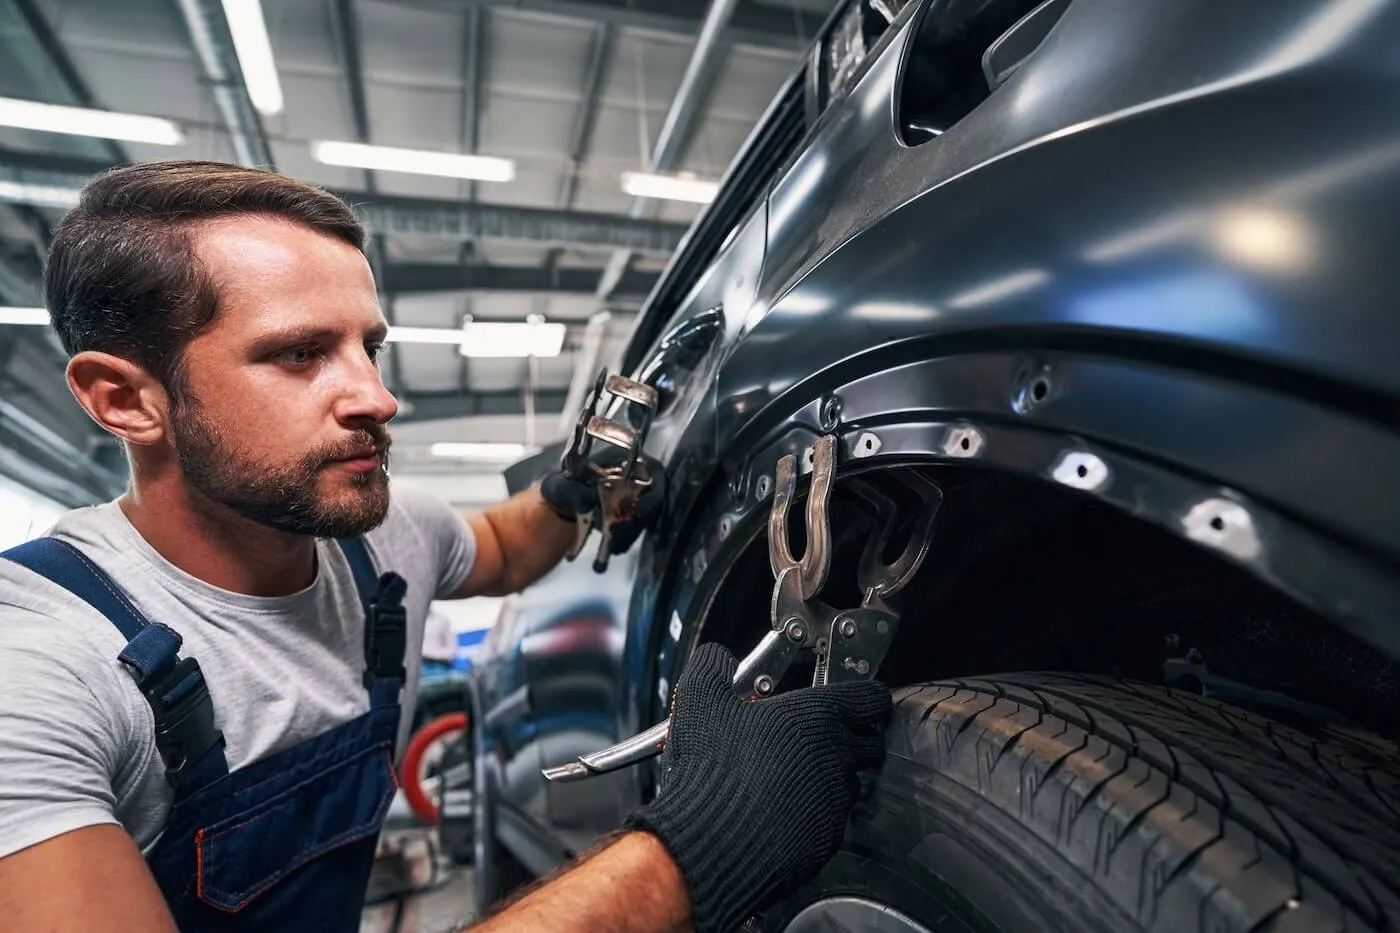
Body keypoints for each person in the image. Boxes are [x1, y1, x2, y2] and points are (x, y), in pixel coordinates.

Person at [0, 161, 890, 933]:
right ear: (125, 400)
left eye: (370, 348)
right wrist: (696, 850)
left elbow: (503, 546)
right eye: (302, 354)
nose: (377, 398)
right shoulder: (40, 668)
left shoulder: (381, 537)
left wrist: (569, 489)